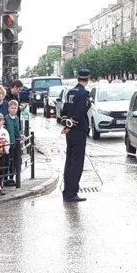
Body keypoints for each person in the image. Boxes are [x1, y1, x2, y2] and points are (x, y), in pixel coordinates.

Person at [60, 68, 92, 203]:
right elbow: (79, 112)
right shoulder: (84, 93)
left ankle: (67, 190)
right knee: (76, 162)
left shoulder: (70, 92)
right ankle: (72, 192)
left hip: (71, 131)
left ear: (78, 78)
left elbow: (65, 110)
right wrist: (71, 125)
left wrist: (66, 125)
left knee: (69, 160)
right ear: (88, 78)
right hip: (78, 130)